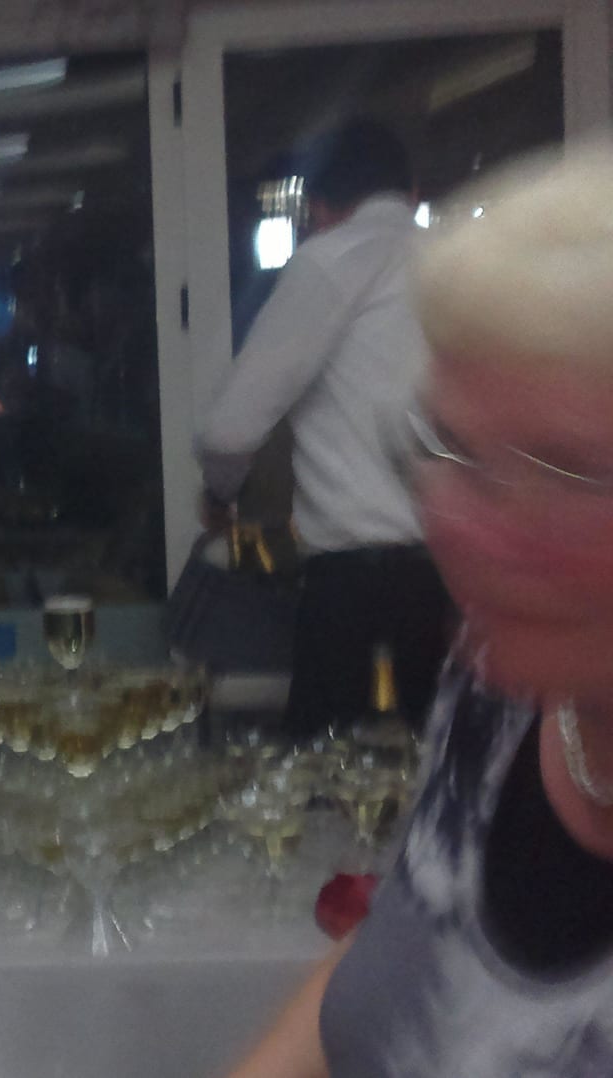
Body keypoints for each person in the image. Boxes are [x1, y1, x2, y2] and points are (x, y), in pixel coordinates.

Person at [225, 149, 613, 1077]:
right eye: (451, 449)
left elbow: (228, 429)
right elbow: (407, 952)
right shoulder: (498, 689)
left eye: (564, 467)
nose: (464, 530)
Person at [196, 120, 451, 739]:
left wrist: (221, 494)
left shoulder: (327, 262)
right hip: (462, 581)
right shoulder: (462, 261)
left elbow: (230, 431)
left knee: (329, 780)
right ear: (413, 192)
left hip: (355, 591)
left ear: (317, 209)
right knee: (449, 776)